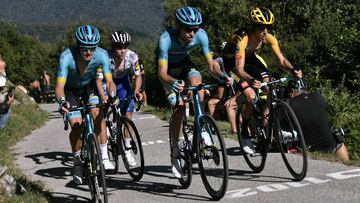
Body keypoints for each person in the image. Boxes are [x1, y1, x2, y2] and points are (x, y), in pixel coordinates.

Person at [157, 6, 232, 178]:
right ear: (179, 26)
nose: (192, 33)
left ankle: (202, 127)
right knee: (179, 108)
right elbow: (161, 73)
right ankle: (175, 152)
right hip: (168, 72)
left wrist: (222, 76)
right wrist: (174, 83)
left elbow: (211, 64)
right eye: (188, 29)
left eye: (195, 29)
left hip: (185, 63)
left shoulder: (201, 35)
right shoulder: (165, 39)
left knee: (198, 87)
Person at [222, 7, 302, 154]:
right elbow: (239, 70)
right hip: (232, 64)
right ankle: (245, 131)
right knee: (251, 96)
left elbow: (282, 60)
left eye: (268, 27)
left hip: (250, 59)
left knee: (270, 87)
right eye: (260, 27)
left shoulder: (269, 38)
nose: (265, 31)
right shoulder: (242, 38)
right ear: (253, 27)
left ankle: (269, 126)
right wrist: (252, 80)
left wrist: (292, 69)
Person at [55, 25, 117, 184]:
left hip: (88, 87)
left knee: (98, 113)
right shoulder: (66, 57)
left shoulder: (101, 55)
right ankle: (77, 162)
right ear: (78, 45)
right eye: (84, 49)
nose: (89, 52)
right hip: (70, 90)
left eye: (92, 48)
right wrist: (62, 101)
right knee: (77, 125)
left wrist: (111, 93)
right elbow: (60, 86)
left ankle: (103, 155)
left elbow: (109, 81)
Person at [96, 30, 142, 167]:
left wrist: (136, 90)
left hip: (123, 83)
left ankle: (127, 149)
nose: (122, 51)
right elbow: (98, 81)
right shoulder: (105, 57)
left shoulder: (133, 57)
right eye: (118, 47)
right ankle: (106, 129)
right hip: (105, 82)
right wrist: (103, 96)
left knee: (128, 115)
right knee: (103, 109)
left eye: (125, 47)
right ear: (113, 46)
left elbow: (138, 75)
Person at [287, 80, 349, 161]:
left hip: (309, 152)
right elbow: (331, 113)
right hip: (331, 146)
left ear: (291, 91)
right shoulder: (317, 96)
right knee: (338, 139)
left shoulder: (288, 105)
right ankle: (347, 163)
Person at [0, 57, 14, 129]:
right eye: (1, 69)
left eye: (4, 69)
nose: (3, 71)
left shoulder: (4, 78)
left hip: (5, 106)